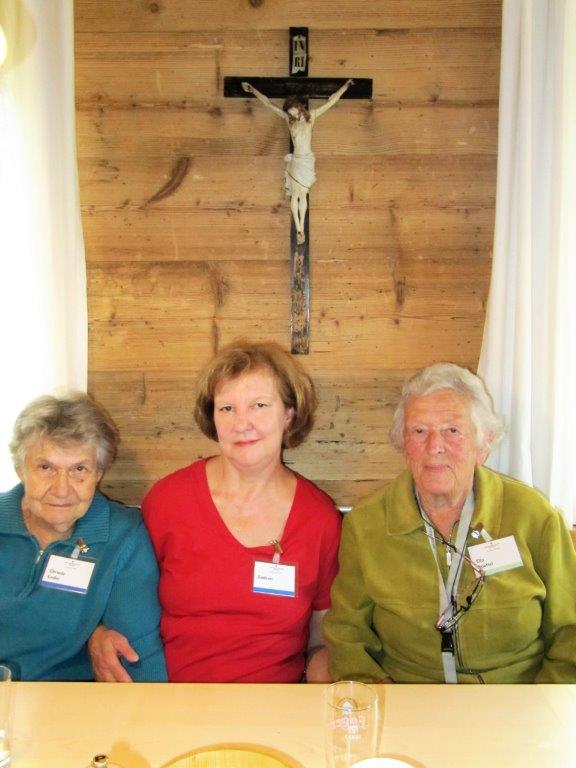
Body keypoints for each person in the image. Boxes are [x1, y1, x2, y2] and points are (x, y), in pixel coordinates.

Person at [90, 340, 342, 683]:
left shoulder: (319, 519)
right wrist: (96, 634)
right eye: (227, 408)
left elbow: (319, 644)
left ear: (288, 414)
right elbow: (114, 596)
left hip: (273, 705)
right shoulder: (168, 502)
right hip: (171, 699)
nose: (242, 423)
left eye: (259, 405)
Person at [324, 362, 576, 684]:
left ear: (483, 443)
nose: (435, 447)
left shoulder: (534, 517)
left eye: (452, 431)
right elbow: (347, 633)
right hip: (410, 698)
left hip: (515, 698)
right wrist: (380, 697)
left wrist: (544, 700)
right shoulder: (367, 524)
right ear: (403, 443)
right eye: (419, 431)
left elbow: (570, 632)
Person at [0, 393, 166, 681]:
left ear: (98, 473)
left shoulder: (122, 537)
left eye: (79, 469)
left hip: (64, 700)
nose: (62, 489)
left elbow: (139, 654)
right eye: (46, 468)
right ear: (20, 470)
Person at [242, 79, 354, 244]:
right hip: (296, 160)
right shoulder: (289, 120)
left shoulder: (311, 116)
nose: (292, 115)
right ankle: (299, 228)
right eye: (290, 113)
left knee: (303, 194)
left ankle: (301, 226)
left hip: (307, 161)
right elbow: (268, 104)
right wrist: (253, 91)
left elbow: (331, 101)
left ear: (299, 107)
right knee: (295, 194)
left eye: (293, 111)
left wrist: (345, 87)